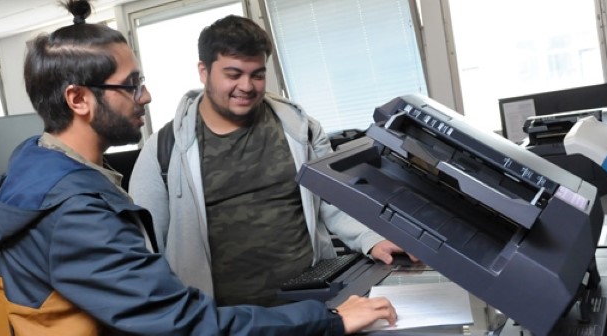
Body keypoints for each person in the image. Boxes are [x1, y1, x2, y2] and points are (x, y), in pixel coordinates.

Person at [0, 1, 397, 334]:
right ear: (78, 99)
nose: (144, 97)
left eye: (256, 74)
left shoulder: (45, 170)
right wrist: (328, 322)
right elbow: (178, 318)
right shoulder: (75, 208)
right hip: (225, 317)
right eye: (131, 85)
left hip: (279, 309)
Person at [129, 14, 417, 307]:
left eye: (257, 74)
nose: (247, 86)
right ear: (203, 71)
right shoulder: (163, 150)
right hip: (226, 320)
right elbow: (146, 248)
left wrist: (371, 239)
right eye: (233, 74)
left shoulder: (300, 128)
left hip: (312, 307)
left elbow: (333, 201)